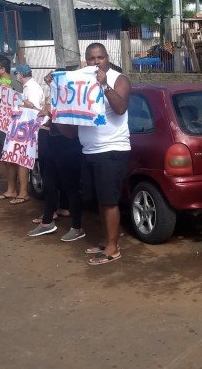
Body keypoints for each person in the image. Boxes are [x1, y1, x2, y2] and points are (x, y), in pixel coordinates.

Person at [57, 43, 130, 265]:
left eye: (100, 57)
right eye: (91, 58)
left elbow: (120, 108)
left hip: (112, 149)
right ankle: (108, 239)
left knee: (109, 201)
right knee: (98, 199)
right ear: (85, 61)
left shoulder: (119, 79)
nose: (96, 62)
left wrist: (105, 86)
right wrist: (57, 100)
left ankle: (113, 248)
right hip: (89, 150)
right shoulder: (81, 84)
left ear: (107, 58)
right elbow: (70, 131)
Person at [28, 70, 83, 240]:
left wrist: (50, 114)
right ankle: (46, 222)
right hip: (53, 143)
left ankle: (77, 226)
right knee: (49, 184)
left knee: (71, 188)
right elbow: (52, 120)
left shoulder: (75, 97)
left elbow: (72, 124)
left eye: (56, 79)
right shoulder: (54, 95)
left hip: (69, 145)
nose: (52, 81)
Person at [4, 63, 44, 205]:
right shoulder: (27, 87)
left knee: (23, 161)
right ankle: (19, 191)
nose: (16, 77)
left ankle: (23, 193)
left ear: (20, 75)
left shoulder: (32, 88)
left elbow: (33, 111)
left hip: (28, 130)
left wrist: (20, 105)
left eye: (17, 75)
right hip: (23, 130)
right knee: (18, 160)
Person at [0, 55, 25, 202]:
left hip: (10, 128)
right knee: (6, 160)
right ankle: (11, 190)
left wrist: (8, 88)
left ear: (2, 69)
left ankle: (19, 191)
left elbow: (18, 104)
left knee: (13, 160)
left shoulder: (14, 83)